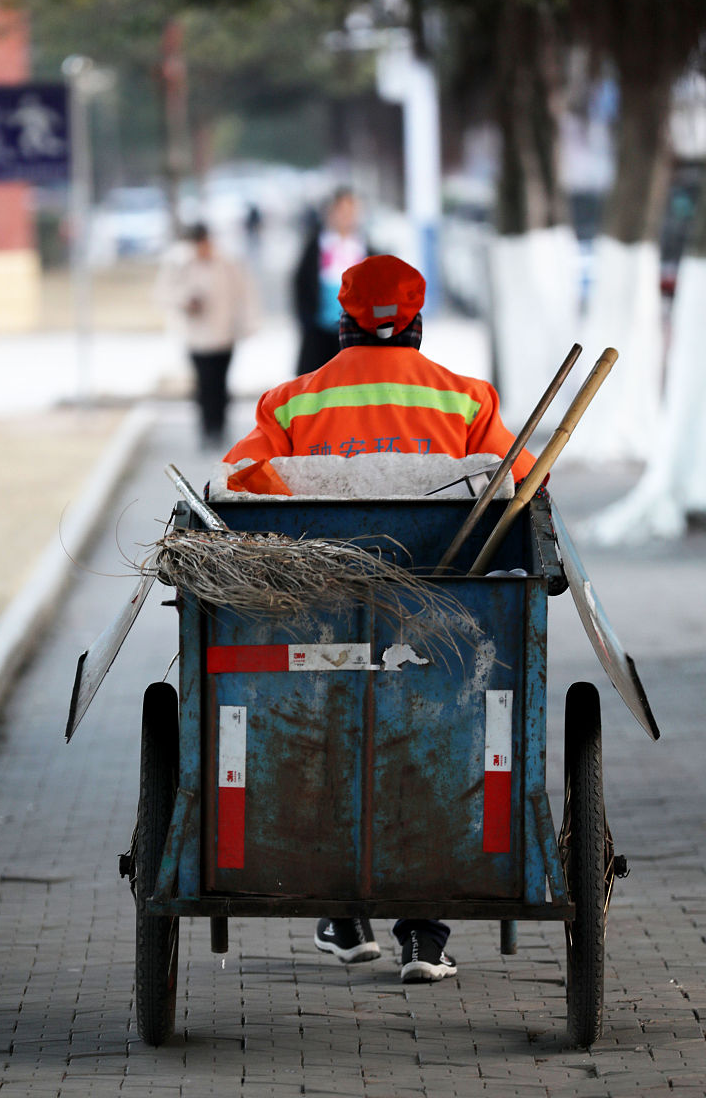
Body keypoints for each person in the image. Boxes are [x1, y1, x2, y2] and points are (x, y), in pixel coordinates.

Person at [224, 254, 537, 983]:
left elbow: (241, 478)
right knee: (430, 753)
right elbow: (519, 483)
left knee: (326, 745)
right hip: (445, 626)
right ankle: (422, 937)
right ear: (418, 323)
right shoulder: (467, 399)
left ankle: (341, 915)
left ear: (343, 322)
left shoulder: (289, 403)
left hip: (314, 625)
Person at [155, 222, 258, 449]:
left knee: (220, 384)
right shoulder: (180, 264)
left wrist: (247, 324)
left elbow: (243, 293)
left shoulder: (227, 263)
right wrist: (186, 301)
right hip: (197, 337)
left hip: (224, 334)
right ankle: (206, 428)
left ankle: (219, 427)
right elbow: (164, 293)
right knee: (204, 384)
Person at [293, 187, 372, 375]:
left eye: (351, 211)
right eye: (341, 210)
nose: (346, 216)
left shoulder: (365, 248)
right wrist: (307, 320)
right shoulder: (317, 246)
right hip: (320, 333)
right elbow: (302, 284)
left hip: (355, 335)